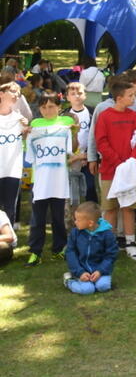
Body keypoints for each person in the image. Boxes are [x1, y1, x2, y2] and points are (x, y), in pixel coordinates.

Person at [94, 78, 136, 259]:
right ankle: (109, 243)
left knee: (129, 207)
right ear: (118, 98)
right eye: (130, 95)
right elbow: (101, 142)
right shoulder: (105, 116)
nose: (133, 98)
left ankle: (130, 242)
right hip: (110, 170)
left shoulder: (134, 116)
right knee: (110, 208)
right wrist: (118, 162)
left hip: (130, 170)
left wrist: (132, 160)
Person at [25, 93, 74, 266]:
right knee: (37, 218)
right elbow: (29, 151)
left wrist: (74, 127)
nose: (48, 110)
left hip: (59, 180)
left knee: (58, 217)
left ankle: (59, 248)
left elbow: (73, 144)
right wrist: (26, 134)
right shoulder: (35, 125)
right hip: (39, 180)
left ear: (59, 107)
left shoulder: (65, 124)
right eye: (44, 107)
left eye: (52, 106)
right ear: (39, 109)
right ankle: (35, 252)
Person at [63, 202, 118, 295]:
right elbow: (70, 253)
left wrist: (100, 271)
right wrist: (80, 272)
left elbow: (111, 255)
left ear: (90, 223)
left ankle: (97, 281)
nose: (75, 222)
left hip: (100, 270)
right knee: (87, 290)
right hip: (81, 270)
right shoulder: (75, 233)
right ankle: (69, 281)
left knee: (103, 286)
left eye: (78, 220)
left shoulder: (107, 234)